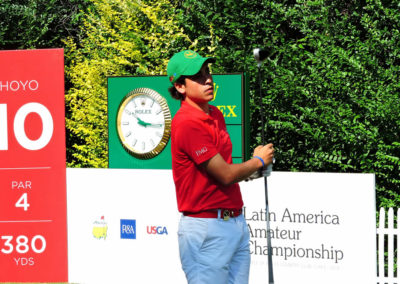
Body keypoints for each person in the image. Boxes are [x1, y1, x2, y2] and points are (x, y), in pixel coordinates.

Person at [167, 50, 274, 284]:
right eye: (197, 76)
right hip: (206, 229)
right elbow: (225, 175)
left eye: (207, 72)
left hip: (234, 223)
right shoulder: (186, 123)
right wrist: (258, 161)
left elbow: (224, 171)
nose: (207, 79)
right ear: (180, 87)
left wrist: (254, 171)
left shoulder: (215, 114)